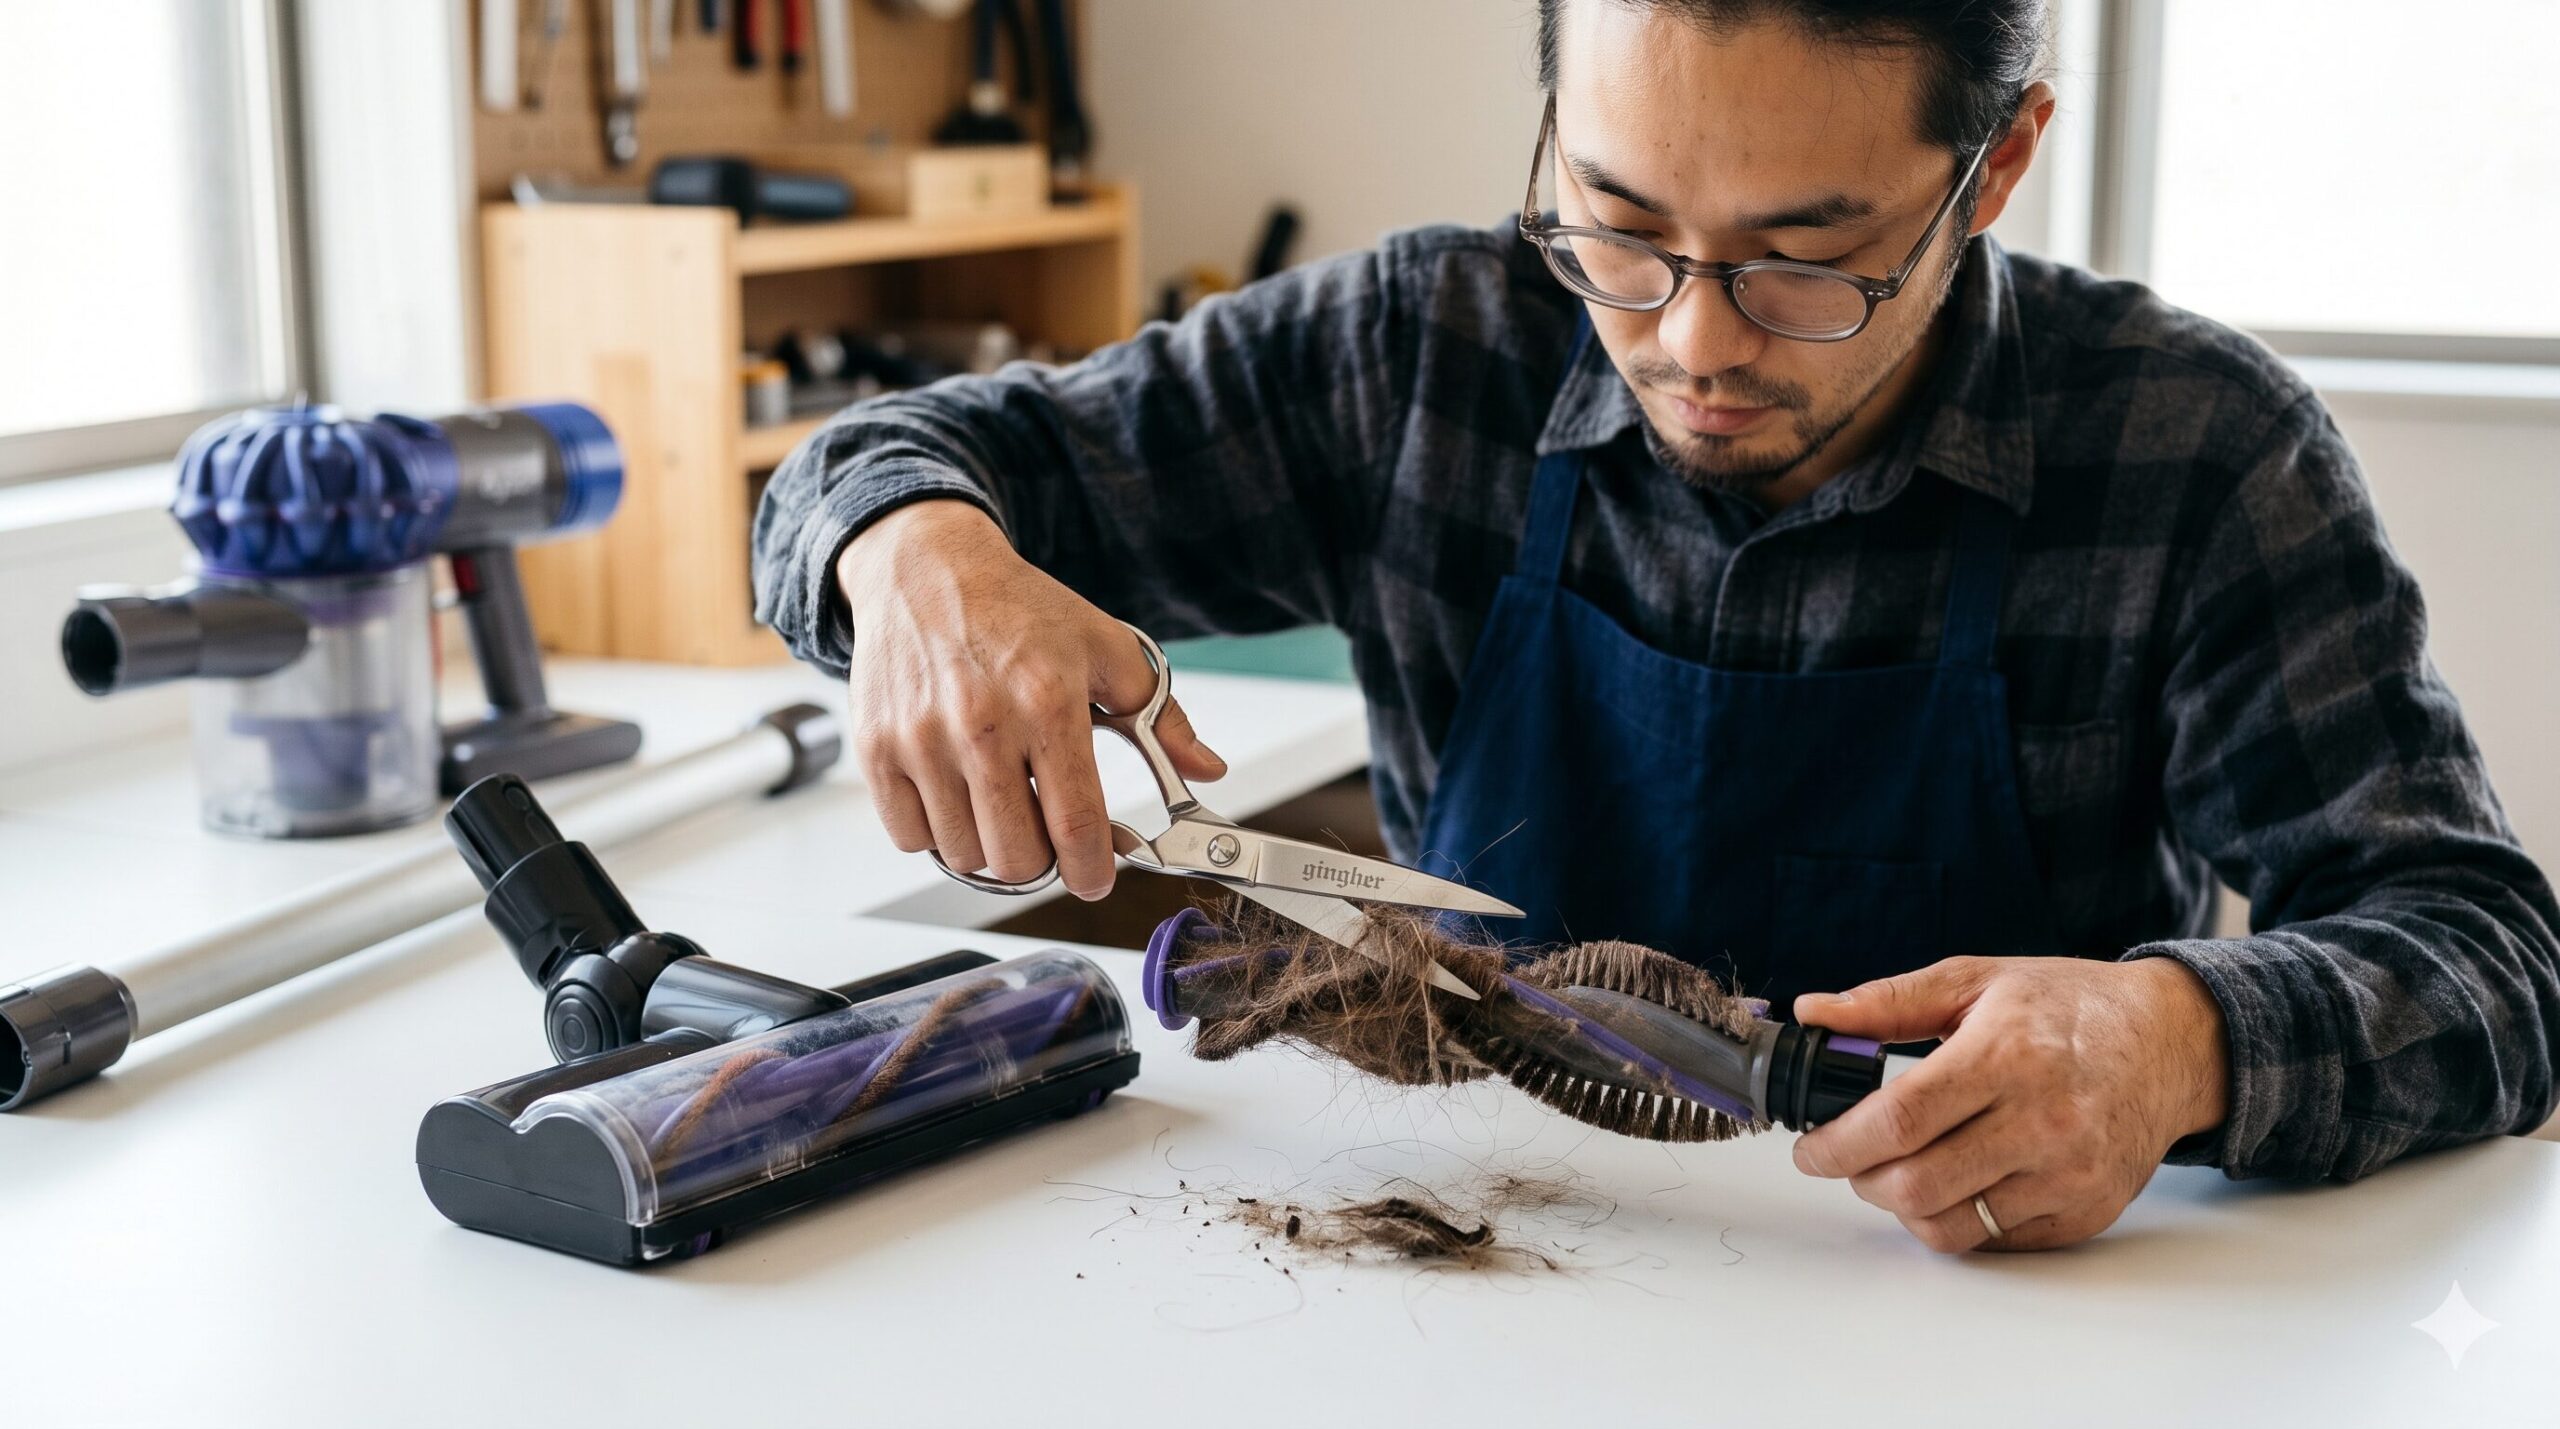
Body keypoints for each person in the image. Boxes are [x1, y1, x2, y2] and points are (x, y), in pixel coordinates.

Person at [752, 0, 2560, 1252]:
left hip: (1990, 1342)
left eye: (1805, 259)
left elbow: (2494, 961)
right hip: (1483, 1279)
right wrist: (914, 560)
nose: (1695, 340)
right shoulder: (1422, 355)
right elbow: (877, 461)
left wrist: (2180, 1041)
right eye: (1618, 221)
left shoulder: (2194, 454)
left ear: (1994, 168)